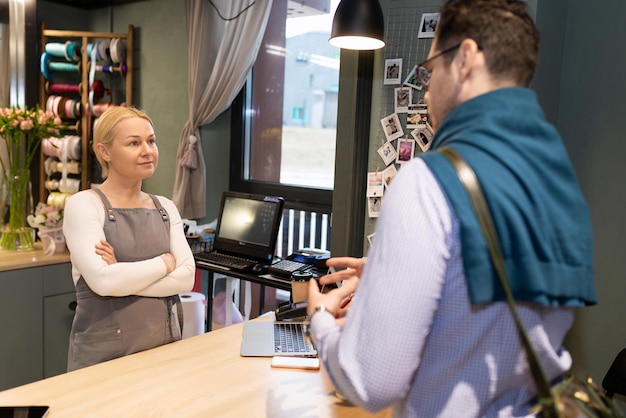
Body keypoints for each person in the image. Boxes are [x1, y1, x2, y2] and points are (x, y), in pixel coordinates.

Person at [306, 0, 597, 416]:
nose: (425, 88)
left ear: (465, 59)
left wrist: (318, 320)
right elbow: (506, 293)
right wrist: (401, 278)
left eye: (432, 68)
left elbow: (370, 382)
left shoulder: (428, 182)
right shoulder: (560, 182)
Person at [63, 107, 195, 371]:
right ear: (105, 152)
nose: (147, 150)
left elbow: (187, 278)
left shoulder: (166, 208)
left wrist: (120, 278)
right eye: (134, 143)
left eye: (151, 141)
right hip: (102, 363)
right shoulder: (83, 205)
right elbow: (103, 281)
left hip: (162, 354)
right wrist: (164, 264)